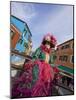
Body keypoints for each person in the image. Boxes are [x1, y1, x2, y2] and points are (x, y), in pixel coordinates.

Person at [12, 33, 57, 98]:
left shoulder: (50, 54)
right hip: (38, 68)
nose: (48, 45)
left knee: (44, 85)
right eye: (47, 43)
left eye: (49, 44)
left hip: (46, 72)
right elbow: (35, 57)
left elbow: (51, 62)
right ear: (45, 43)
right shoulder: (40, 49)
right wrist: (37, 63)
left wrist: (53, 68)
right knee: (34, 83)